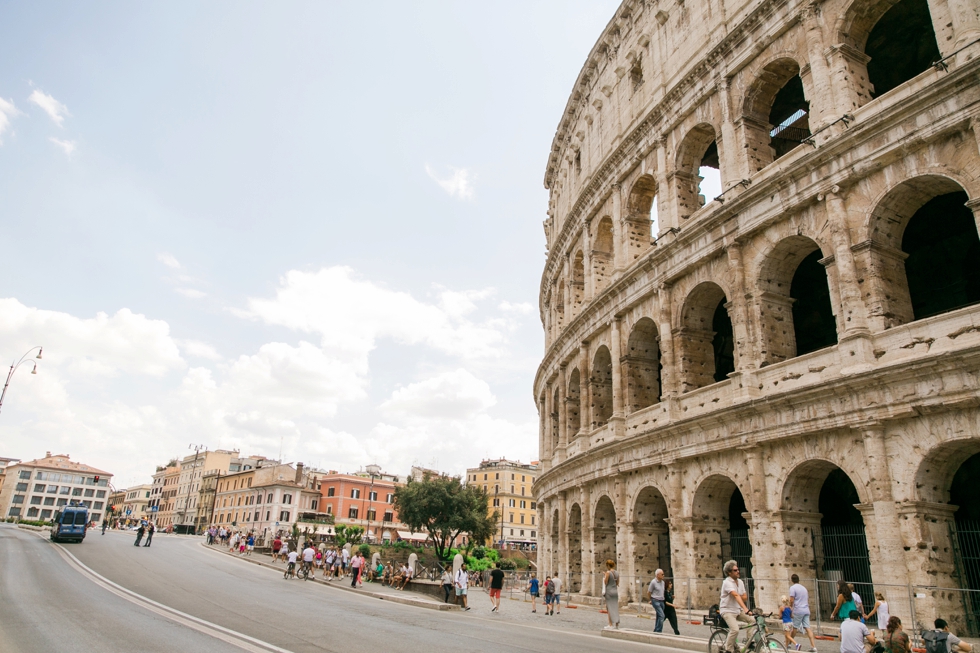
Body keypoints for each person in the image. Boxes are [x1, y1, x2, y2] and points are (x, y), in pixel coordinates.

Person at [720, 560, 752, 653]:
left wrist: (736, 595)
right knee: (735, 629)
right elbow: (737, 596)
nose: (738, 571)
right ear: (729, 572)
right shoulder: (727, 582)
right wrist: (746, 609)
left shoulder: (740, 582)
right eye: (735, 570)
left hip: (737, 609)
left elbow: (745, 597)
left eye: (737, 569)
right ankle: (728, 650)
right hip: (727, 610)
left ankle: (750, 642)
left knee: (753, 620)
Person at [789, 574, 818, 652]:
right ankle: (813, 646)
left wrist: (790, 607)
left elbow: (791, 600)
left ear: (792, 580)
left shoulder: (792, 588)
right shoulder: (804, 588)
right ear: (799, 580)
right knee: (808, 628)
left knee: (795, 627)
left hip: (798, 610)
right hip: (806, 609)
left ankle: (789, 643)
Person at [603, 559, 620, 629]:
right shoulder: (617, 573)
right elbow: (617, 583)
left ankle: (610, 624)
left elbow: (605, 582)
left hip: (609, 591)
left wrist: (605, 576)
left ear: (607, 565)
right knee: (615, 607)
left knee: (609, 608)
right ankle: (616, 624)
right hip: (615, 591)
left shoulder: (608, 572)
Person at [649, 568, 666, 633]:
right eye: (662, 574)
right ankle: (659, 630)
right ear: (658, 575)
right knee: (662, 616)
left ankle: (656, 629)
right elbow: (649, 591)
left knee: (659, 616)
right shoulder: (653, 582)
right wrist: (651, 599)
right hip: (655, 600)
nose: (663, 575)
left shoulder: (663, 583)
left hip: (661, 600)